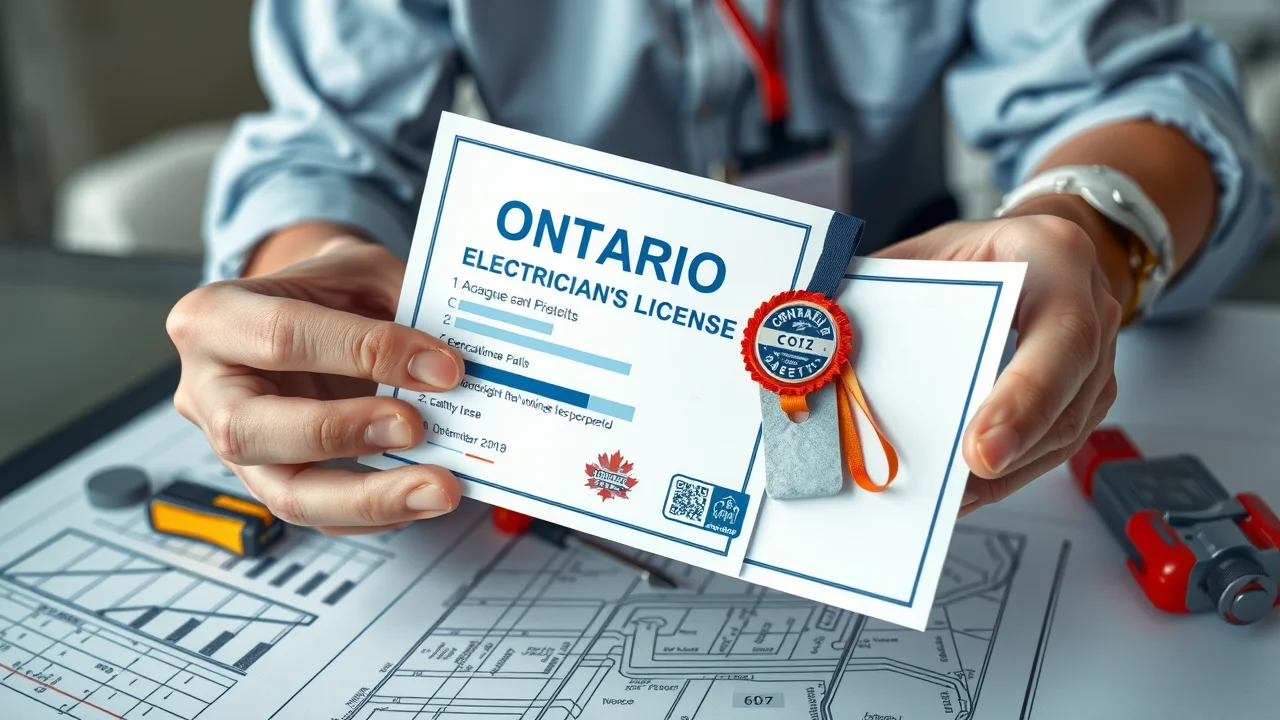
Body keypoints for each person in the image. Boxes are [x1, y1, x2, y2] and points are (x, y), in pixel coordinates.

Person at [167, 0, 1275, 536]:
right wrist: (310, 288)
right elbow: (329, 148)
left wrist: (1085, 234)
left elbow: (1130, 87)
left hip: (894, 368)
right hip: (573, 373)